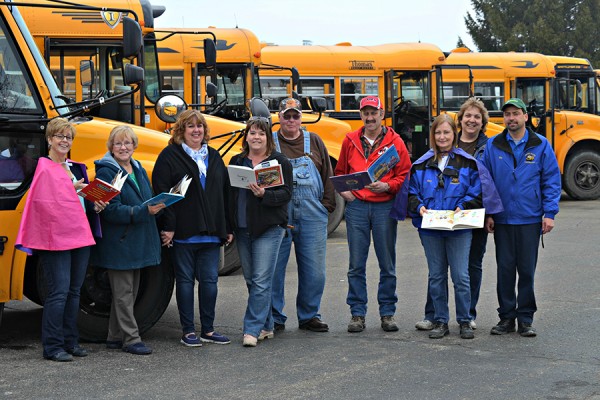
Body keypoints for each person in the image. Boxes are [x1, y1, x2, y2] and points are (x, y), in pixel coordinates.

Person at [15, 117, 106, 361]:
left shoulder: (76, 167)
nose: (64, 141)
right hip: (55, 238)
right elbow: (43, 205)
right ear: (49, 140)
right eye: (60, 136)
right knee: (59, 292)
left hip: (80, 235)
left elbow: (79, 204)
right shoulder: (42, 167)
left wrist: (95, 204)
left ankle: (70, 341)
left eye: (68, 137)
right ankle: (53, 346)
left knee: (75, 292)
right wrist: (71, 188)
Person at [409, 114, 497, 339]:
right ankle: (440, 320)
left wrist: (463, 205)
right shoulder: (421, 164)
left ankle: (465, 320)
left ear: (454, 134)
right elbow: (411, 192)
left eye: (446, 132)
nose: (442, 136)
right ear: (433, 135)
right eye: (438, 132)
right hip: (430, 229)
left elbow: (478, 191)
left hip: (459, 228)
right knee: (436, 276)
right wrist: (418, 206)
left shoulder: (467, 162)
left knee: (461, 276)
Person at [152, 109, 233, 347]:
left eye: (200, 126)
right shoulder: (169, 156)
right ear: (181, 130)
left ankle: (208, 329)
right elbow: (162, 194)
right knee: (185, 283)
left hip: (211, 234)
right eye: (191, 126)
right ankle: (188, 331)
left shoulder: (215, 156)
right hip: (183, 233)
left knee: (210, 283)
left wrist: (227, 226)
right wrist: (169, 227)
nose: (196, 130)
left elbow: (224, 194)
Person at [483, 98, 561, 337]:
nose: (511, 118)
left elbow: (551, 180)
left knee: (526, 270)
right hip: (503, 219)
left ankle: (525, 318)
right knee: (505, 270)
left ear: (525, 117)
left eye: (516, 113)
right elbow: (485, 182)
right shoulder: (493, 145)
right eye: (507, 114)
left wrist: (549, 213)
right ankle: (506, 317)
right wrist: (489, 212)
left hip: (529, 218)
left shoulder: (541, 145)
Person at [335, 96, 411, 333]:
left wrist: (388, 186)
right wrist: (346, 192)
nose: (369, 117)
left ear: (382, 113)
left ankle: (387, 313)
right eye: (365, 113)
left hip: (384, 207)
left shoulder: (396, 142)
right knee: (355, 265)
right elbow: (340, 173)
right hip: (357, 207)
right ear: (361, 115)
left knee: (387, 263)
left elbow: (406, 175)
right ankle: (357, 314)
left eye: (374, 113)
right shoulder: (350, 140)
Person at [90, 125, 163, 355]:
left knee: (128, 293)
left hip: (136, 241)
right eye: (118, 144)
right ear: (111, 147)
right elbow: (108, 211)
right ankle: (131, 339)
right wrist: (143, 212)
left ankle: (114, 337)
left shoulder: (138, 167)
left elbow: (145, 199)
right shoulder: (105, 171)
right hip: (119, 243)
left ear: (134, 146)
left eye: (128, 143)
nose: (123, 147)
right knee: (123, 295)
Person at [271, 98, 335, 333]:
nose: (290, 120)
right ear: (278, 117)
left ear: (300, 118)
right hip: (279, 212)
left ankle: (309, 315)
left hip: (311, 213)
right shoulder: (270, 141)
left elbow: (327, 172)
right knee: (275, 268)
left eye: (295, 115)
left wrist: (326, 206)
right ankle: (275, 316)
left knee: (314, 270)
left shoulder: (314, 140)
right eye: (286, 115)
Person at [229, 117, 293, 347]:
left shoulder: (280, 162)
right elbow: (231, 197)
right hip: (243, 228)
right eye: (252, 133)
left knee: (261, 280)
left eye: (261, 133)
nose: (256, 137)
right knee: (251, 279)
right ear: (246, 136)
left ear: (268, 138)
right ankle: (267, 325)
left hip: (270, 228)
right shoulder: (237, 161)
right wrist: (229, 227)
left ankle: (252, 330)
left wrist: (264, 195)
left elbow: (286, 194)